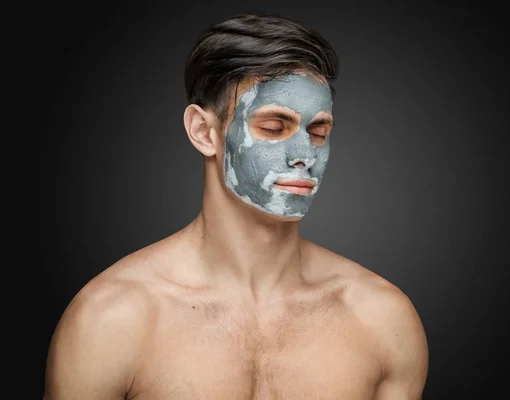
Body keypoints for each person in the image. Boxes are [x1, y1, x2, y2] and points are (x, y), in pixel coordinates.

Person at [44, 11, 428, 400]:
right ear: (203, 132)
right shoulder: (112, 319)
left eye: (318, 132)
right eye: (274, 127)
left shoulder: (381, 319)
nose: (303, 155)